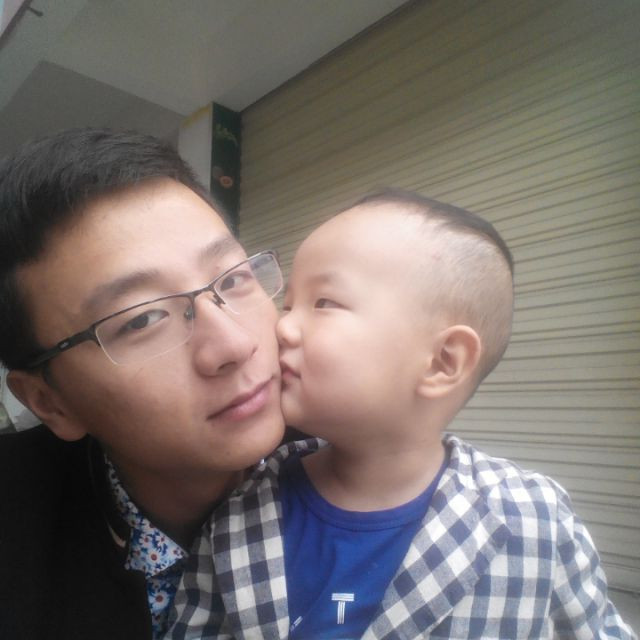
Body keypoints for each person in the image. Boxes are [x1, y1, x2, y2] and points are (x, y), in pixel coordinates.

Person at [169, 189, 636, 639]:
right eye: (288, 304)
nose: (282, 327)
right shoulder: (240, 509)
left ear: (442, 362)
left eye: (324, 303)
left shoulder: (532, 520)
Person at [0, 127, 287, 640]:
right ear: (50, 401)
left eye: (232, 278)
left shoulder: (365, 447)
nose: (236, 344)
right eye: (142, 319)